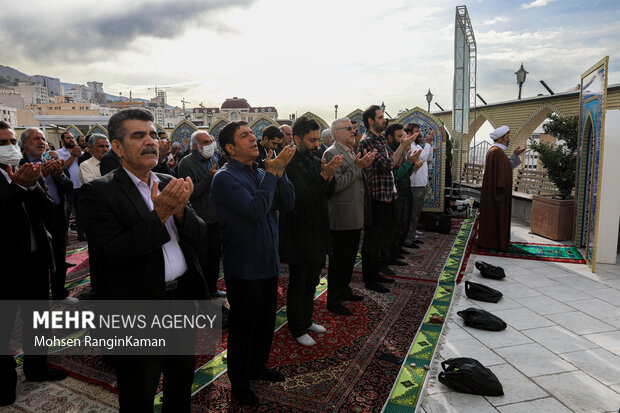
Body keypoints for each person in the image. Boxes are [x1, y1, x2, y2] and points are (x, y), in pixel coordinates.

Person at [80, 108, 208, 412]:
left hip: (181, 302)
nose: (150, 141)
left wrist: (178, 211)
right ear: (118, 147)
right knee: (139, 391)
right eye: (138, 135)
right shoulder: (98, 192)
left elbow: (201, 237)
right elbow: (114, 254)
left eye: (153, 134)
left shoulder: (167, 180)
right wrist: (161, 213)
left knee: (180, 386)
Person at [211, 121, 295, 406]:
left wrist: (279, 174)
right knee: (243, 328)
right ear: (230, 148)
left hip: (268, 261)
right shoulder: (224, 178)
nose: (253, 140)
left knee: (264, 323)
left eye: (252, 134)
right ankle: (240, 383)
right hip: (245, 266)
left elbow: (289, 202)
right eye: (244, 136)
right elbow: (257, 211)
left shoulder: (261, 171)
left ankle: (258, 367)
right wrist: (271, 175)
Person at [0, 121, 67, 407]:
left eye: (12, 141)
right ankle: (3, 385)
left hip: (35, 259)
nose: (10, 147)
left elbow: (49, 209)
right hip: (5, 266)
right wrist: (18, 187)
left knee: (36, 320)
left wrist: (32, 185)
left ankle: (37, 369)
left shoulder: (29, 171)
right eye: (3, 143)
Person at [281, 116, 340, 346]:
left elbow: (327, 193)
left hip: (318, 231)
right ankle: (297, 328)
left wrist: (330, 175)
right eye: (312, 140)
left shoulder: (315, 161)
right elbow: (301, 199)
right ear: (297, 139)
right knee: (299, 283)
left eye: (318, 140)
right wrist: (324, 178)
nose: (317, 144)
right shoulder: (290, 164)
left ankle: (307, 320)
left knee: (312, 281)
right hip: (300, 234)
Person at [358, 105, 414, 292]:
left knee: (382, 237)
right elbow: (389, 163)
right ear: (371, 121)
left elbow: (395, 161)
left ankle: (376, 272)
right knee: (372, 240)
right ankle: (370, 279)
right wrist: (403, 146)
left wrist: (401, 150)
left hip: (387, 195)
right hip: (375, 197)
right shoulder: (367, 141)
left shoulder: (380, 139)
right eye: (381, 117)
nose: (385, 120)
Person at [323, 118, 375, 315]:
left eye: (353, 129)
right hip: (342, 216)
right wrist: (358, 167)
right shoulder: (331, 153)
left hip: (355, 214)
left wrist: (365, 165)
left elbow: (358, 179)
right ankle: (333, 299)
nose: (353, 131)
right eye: (349, 129)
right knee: (339, 260)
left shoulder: (351, 151)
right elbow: (336, 185)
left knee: (350, 257)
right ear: (336, 133)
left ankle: (344, 289)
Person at [20, 127, 76, 302]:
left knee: (60, 254)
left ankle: (60, 292)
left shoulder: (51, 161)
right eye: (36, 139)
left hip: (57, 215)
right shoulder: (19, 165)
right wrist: (39, 177)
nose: (41, 142)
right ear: (24, 144)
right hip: (36, 219)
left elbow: (68, 188)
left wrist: (60, 175)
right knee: (39, 260)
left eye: (43, 139)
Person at [177, 131, 225, 297]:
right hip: (199, 219)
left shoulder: (212, 159)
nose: (210, 145)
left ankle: (212, 289)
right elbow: (190, 193)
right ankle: (201, 293)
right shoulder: (186, 164)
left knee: (213, 257)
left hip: (215, 216)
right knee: (201, 259)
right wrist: (209, 178)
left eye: (211, 141)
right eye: (205, 142)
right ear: (195, 146)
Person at [478, 126, 525, 251]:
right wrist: (502, 190)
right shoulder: (496, 152)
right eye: (507, 138)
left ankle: (494, 241)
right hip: (498, 192)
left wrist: (515, 154)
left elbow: (506, 167)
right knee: (495, 217)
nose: (509, 140)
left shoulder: (497, 151)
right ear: (500, 139)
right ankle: (494, 242)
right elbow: (503, 172)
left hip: (495, 191)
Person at [386, 123, 420, 261]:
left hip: (405, 191)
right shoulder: (391, 153)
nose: (403, 139)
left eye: (404, 136)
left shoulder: (401, 152)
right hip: (396, 193)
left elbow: (406, 173)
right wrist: (409, 163)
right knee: (395, 226)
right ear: (390, 137)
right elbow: (395, 175)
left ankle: (398, 249)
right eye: (400, 136)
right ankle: (390, 254)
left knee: (403, 223)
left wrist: (412, 164)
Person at [406, 123, 435, 247]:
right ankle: (408, 239)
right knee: (412, 214)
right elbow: (421, 156)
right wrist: (428, 143)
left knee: (417, 213)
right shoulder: (409, 146)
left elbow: (428, 158)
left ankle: (412, 235)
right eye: (417, 131)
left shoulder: (417, 145)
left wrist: (429, 146)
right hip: (414, 185)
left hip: (421, 184)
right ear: (410, 134)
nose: (420, 134)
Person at [57, 131, 85, 240]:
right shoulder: (58, 153)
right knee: (66, 214)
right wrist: (72, 156)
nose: (71, 140)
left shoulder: (80, 153)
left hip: (80, 186)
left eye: (72, 137)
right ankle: (64, 238)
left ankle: (81, 235)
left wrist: (79, 154)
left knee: (81, 213)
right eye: (68, 138)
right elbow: (64, 168)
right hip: (68, 188)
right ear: (63, 141)